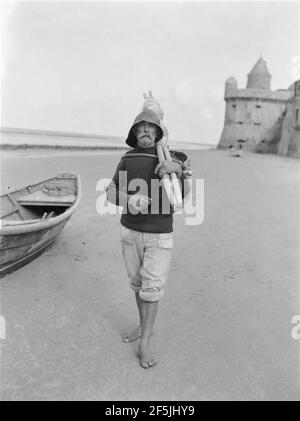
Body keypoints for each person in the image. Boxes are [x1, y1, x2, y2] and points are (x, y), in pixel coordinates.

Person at [106, 108, 190, 369]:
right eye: (139, 127)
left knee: (151, 289)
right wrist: (129, 199)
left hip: (159, 234)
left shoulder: (173, 157)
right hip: (130, 231)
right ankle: (143, 326)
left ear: (158, 131)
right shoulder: (128, 158)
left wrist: (178, 169)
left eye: (149, 126)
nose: (144, 130)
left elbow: (183, 196)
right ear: (133, 133)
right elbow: (111, 192)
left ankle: (144, 341)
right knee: (138, 284)